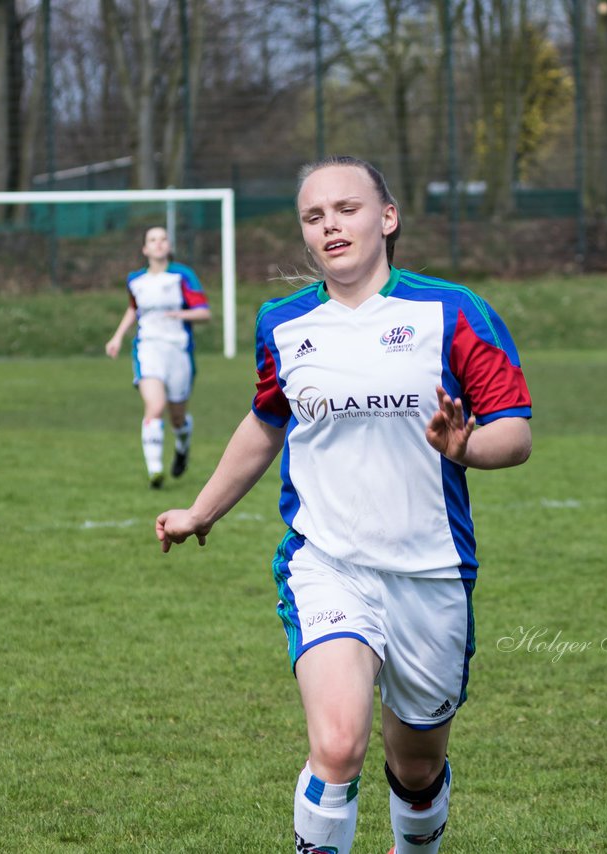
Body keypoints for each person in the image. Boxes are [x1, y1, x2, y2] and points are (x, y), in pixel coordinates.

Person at [156, 156, 533, 854]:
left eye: (347, 209)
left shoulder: (452, 312)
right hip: (328, 564)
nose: (331, 224)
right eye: (313, 216)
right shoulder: (285, 323)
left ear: (387, 219)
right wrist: (201, 510)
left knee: (415, 766)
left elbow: (514, 433)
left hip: (431, 575)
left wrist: (464, 447)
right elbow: (267, 420)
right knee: (336, 745)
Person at [105, 225, 212, 488]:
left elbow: (204, 312)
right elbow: (134, 310)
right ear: (145, 249)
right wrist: (117, 336)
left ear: (169, 246)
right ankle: (155, 470)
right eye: (153, 240)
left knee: (177, 416)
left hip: (178, 350)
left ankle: (182, 446)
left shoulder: (182, 276)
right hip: (147, 348)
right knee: (154, 406)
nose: (159, 243)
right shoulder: (135, 280)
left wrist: (181, 315)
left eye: (163, 239)